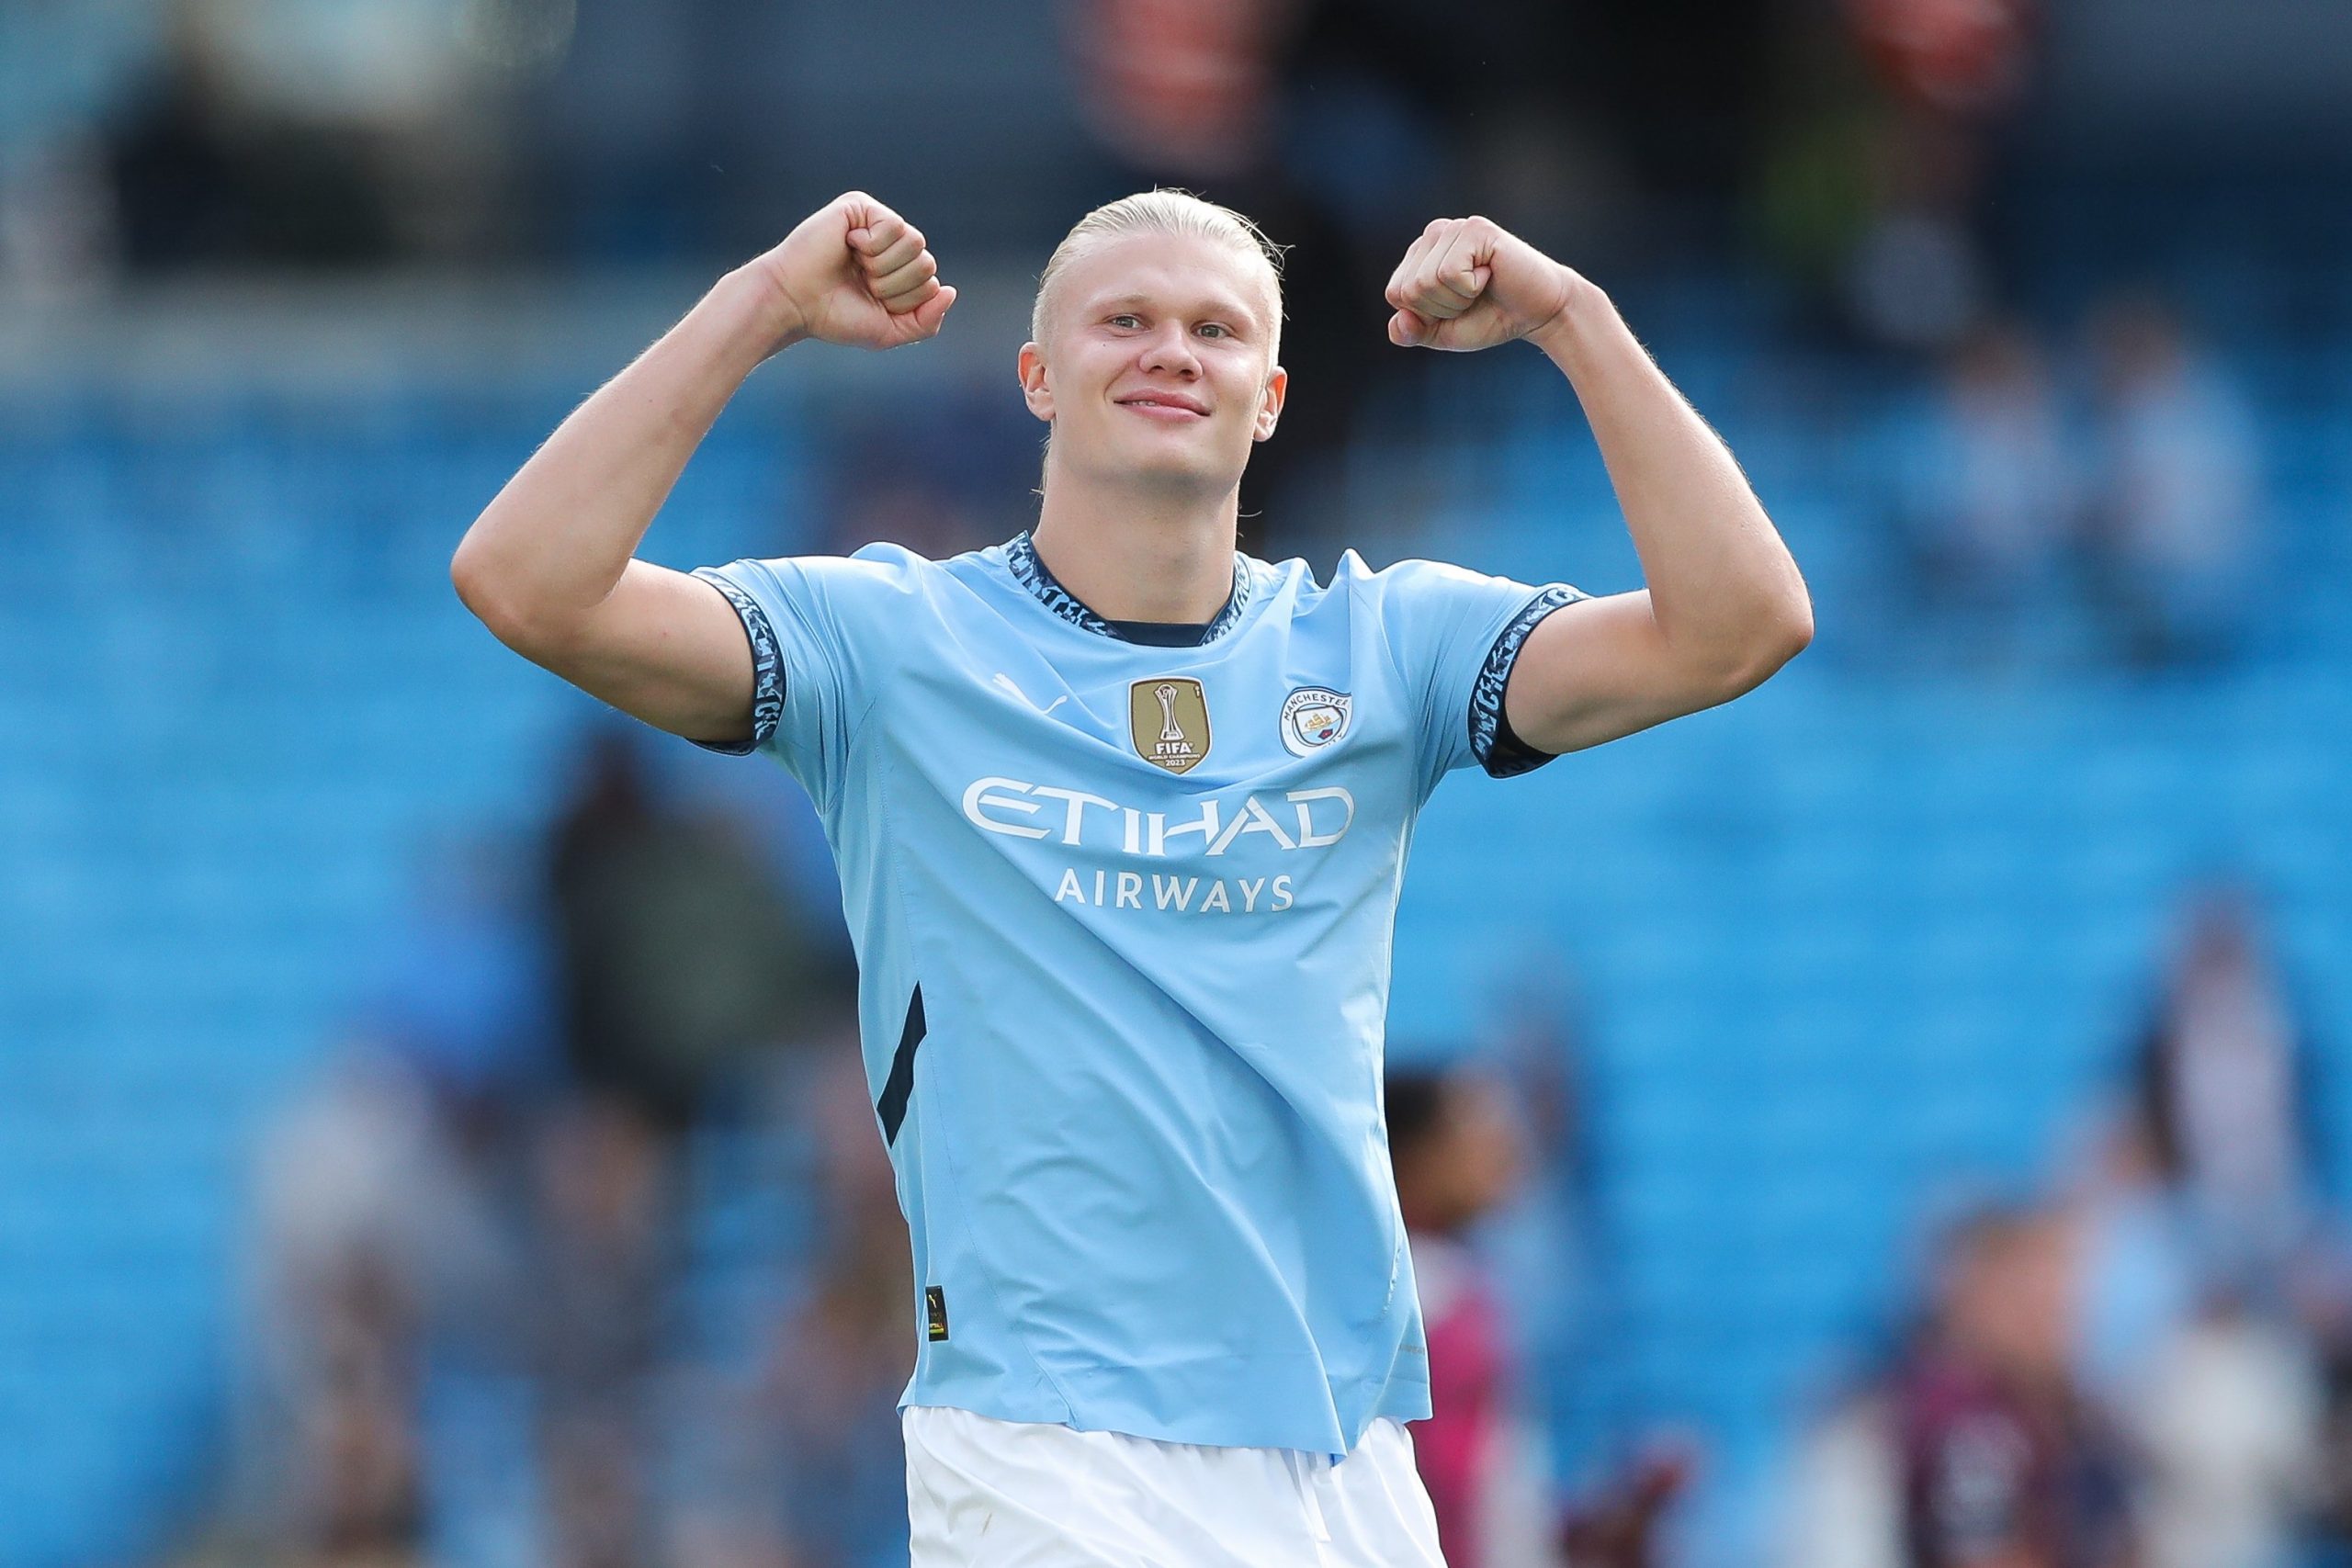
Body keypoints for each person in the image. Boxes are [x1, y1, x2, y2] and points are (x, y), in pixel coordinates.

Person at [450, 186, 1812, 1564]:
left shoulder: (1385, 648)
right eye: (1125, 320)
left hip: (1340, 1453)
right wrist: (761, 308)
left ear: (1269, 397)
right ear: (1038, 377)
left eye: (1216, 329)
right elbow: (527, 580)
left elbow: (1740, 625)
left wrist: (1575, 321)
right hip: (1049, 1446)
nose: (1172, 351)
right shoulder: (892, 647)